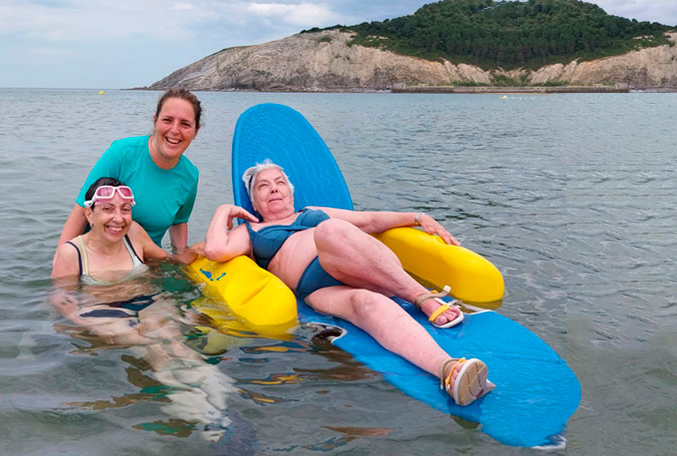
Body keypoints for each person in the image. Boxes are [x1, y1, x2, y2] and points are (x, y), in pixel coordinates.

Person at [203, 160, 495, 406]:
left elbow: (368, 221)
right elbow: (215, 250)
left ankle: (420, 296)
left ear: (291, 192)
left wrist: (418, 217)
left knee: (330, 230)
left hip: (360, 265)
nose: (274, 188)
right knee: (368, 304)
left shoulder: (312, 214)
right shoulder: (251, 231)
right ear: (253, 202)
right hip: (318, 290)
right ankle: (449, 370)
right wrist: (224, 211)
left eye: (279, 182)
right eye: (263, 186)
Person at [50, 176, 234, 440]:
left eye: (125, 209)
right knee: (152, 347)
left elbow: (167, 261)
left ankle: (224, 402)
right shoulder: (72, 253)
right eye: (107, 209)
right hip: (102, 309)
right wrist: (91, 325)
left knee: (175, 341)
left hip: (146, 299)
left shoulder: (134, 233)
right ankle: (206, 419)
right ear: (89, 214)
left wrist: (195, 252)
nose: (118, 218)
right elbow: (61, 300)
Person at [56, 89, 202, 258]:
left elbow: (179, 222)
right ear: (155, 121)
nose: (175, 130)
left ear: (195, 131)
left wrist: (182, 258)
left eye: (185, 124)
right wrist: (62, 263)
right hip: (97, 259)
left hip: (147, 263)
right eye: (167, 120)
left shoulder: (190, 176)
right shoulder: (121, 154)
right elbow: (83, 209)